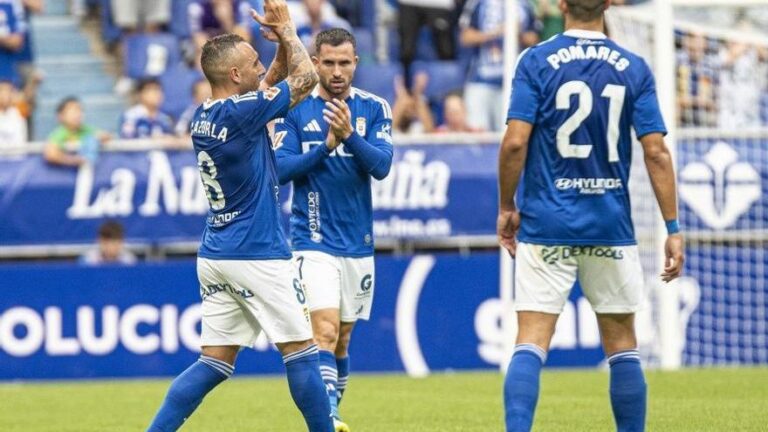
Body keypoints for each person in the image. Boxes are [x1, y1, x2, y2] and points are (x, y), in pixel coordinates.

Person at [498, 1, 685, 431]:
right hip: (610, 223)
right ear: (609, 3)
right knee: (622, 345)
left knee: (530, 341)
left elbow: (513, 143)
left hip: (547, 222)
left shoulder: (536, 60)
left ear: (561, 4)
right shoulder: (633, 66)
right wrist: (672, 227)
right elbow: (655, 150)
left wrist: (508, 206)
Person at [145, 0, 331, 431]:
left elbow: (270, 82)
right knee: (302, 350)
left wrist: (278, 54)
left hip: (216, 252)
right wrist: (287, 31)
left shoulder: (206, 115)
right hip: (258, 252)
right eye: (251, 63)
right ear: (233, 75)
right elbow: (306, 80)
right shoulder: (244, 113)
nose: (258, 66)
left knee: (212, 362)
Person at [274, 28, 393, 432]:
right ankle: (328, 419)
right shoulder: (295, 110)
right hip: (312, 239)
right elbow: (282, 170)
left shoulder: (375, 108)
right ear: (315, 62)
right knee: (321, 332)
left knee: (341, 339)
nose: (337, 71)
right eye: (328, 62)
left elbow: (381, 166)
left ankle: (332, 411)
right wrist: (324, 146)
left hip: (357, 243)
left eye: (345, 62)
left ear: (356, 62)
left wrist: (349, 137)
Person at [459, 0, 540, 132]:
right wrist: (495, 32)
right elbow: (465, 37)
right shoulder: (478, 3)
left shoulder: (525, 4)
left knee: (508, 134)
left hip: (515, 82)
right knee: (477, 133)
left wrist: (517, 33)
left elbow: (535, 40)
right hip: (480, 80)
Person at [44, 97, 110, 166]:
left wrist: (97, 138)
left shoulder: (85, 129)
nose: (77, 114)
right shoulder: (60, 133)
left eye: (79, 110)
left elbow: (105, 135)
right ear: (61, 116)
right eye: (72, 111)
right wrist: (75, 160)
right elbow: (51, 154)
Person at [0, 80, 26, 152]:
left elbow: (27, 98)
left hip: (16, 160)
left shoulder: (19, 111)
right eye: (2, 91)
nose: (5, 95)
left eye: (9, 91)